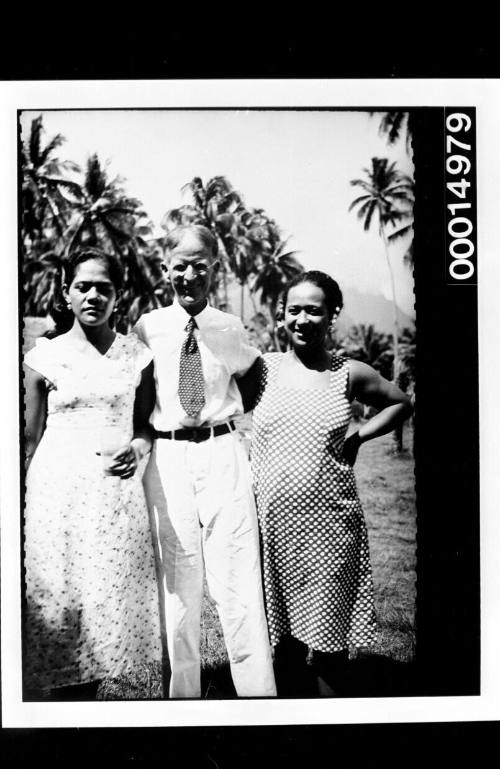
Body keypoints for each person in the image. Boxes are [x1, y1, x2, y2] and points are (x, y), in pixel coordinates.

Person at [245, 270, 413, 697]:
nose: (303, 319)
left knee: (329, 645)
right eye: (294, 310)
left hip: (330, 525)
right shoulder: (262, 369)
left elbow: (400, 402)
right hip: (271, 526)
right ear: (281, 315)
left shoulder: (349, 373)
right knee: (279, 641)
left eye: (314, 311)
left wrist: (359, 435)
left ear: (331, 315)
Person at [134, 224, 276, 699]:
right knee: (179, 581)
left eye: (200, 265)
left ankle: (258, 698)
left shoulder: (229, 328)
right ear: (165, 268)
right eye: (181, 265)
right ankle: (184, 699)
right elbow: (141, 396)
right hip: (169, 454)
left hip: (222, 450)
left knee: (237, 576)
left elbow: (254, 374)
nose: (189, 274)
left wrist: (229, 418)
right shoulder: (148, 327)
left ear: (214, 269)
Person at [23, 247, 162, 700]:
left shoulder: (135, 356)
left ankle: (92, 703)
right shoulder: (43, 358)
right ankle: (55, 705)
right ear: (67, 294)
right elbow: (28, 437)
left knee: (104, 601)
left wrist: (138, 445)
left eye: (104, 287)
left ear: (118, 296)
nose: (93, 295)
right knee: (57, 600)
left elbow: (144, 426)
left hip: (112, 493)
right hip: (54, 491)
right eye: (83, 286)